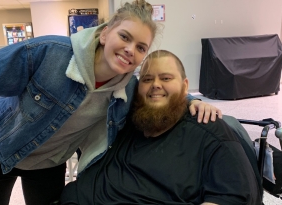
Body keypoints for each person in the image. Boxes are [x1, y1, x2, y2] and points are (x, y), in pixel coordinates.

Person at [0, 1, 221, 204]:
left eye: (141, 47)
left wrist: (192, 101)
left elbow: (160, 93)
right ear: (105, 34)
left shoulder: (128, 89)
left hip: (48, 164)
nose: (131, 49)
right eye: (125, 37)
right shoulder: (48, 53)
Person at [59, 50, 262, 205]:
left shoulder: (209, 132)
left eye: (166, 78)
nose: (155, 84)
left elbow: (235, 196)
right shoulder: (126, 119)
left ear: (185, 86)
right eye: (147, 79)